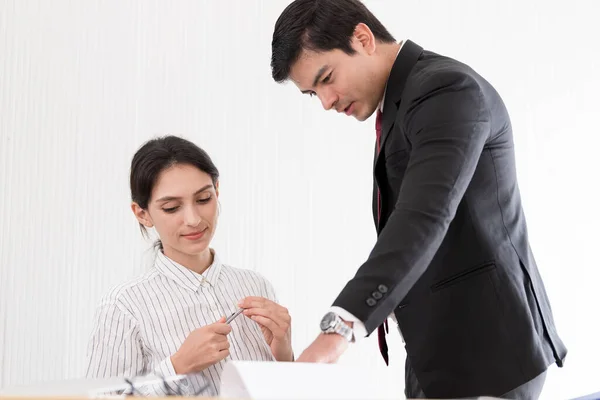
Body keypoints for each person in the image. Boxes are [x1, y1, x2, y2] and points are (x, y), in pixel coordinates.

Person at [270, 0, 566, 398]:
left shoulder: (444, 89)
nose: (325, 102)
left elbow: (422, 217)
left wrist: (337, 332)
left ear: (362, 38)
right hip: (440, 353)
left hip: (488, 351)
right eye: (312, 93)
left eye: (326, 79)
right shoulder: (405, 98)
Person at [84, 135, 293, 396]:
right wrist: (177, 366)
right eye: (172, 208)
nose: (193, 219)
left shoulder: (256, 285)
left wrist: (284, 353)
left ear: (217, 192)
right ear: (142, 214)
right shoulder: (124, 306)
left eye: (204, 199)